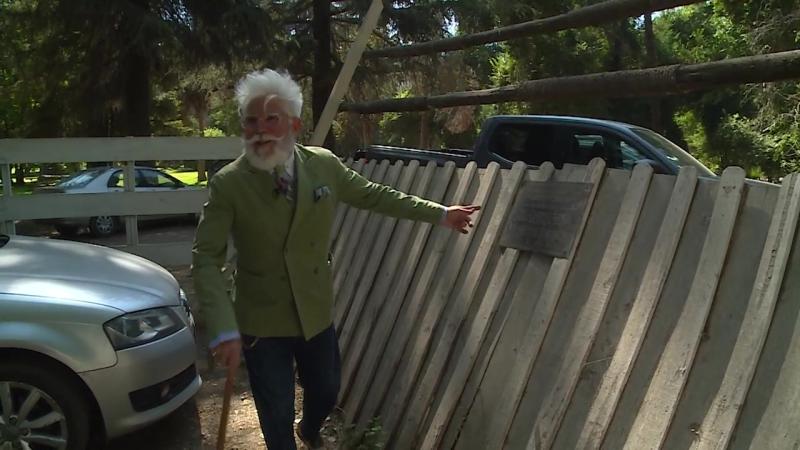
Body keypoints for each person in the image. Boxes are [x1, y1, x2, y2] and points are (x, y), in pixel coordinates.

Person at [192, 68, 480, 450]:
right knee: (275, 411)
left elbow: (374, 195)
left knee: (326, 391)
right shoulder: (229, 183)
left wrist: (439, 213)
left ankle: (309, 429)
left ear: (294, 124)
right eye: (251, 121)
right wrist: (225, 328)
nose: (259, 129)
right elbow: (206, 259)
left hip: (315, 309)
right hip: (261, 320)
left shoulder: (323, 164)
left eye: (271, 119)